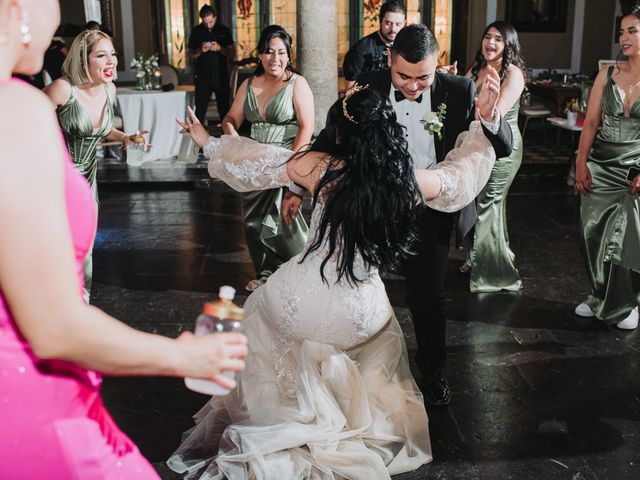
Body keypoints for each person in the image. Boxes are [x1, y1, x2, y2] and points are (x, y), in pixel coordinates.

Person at [169, 73, 500, 478]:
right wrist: (482, 124)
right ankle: (339, 414)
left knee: (261, 306)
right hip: (361, 313)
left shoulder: (319, 168)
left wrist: (207, 141)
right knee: (375, 334)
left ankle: (291, 410)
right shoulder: (407, 182)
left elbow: (256, 162)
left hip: (306, 299)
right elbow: (460, 177)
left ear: (340, 132)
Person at [0, 1, 247, 478]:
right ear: (18, 9)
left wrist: (125, 139)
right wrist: (183, 354)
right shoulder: (19, 108)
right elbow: (53, 328)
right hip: (29, 393)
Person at [293, 24, 512, 406]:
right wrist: (299, 185)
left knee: (427, 295)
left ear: (437, 64)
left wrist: (492, 118)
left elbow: (502, 146)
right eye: (404, 77)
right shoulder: (367, 84)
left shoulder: (460, 91)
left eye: (423, 77)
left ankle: (434, 370)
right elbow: (332, 138)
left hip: (430, 208)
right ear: (390, 60)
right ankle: (355, 370)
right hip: (375, 206)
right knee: (355, 285)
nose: (412, 86)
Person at [45, 29, 147, 300]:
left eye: (112, 54)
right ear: (83, 59)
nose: (111, 61)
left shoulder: (108, 90)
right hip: (57, 181)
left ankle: (80, 303)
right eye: (101, 55)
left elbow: (98, 130)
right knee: (59, 248)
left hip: (88, 179)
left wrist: (125, 137)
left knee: (85, 246)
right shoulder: (63, 89)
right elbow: (27, 119)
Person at [221, 25, 313, 292]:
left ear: (288, 54)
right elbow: (230, 119)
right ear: (260, 55)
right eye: (269, 52)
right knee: (253, 221)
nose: (276, 58)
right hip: (253, 163)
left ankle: (300, 270)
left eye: (281, 52)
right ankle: (265, 273)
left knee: (284, 219)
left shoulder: (297, 84)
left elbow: (306, 127)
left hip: (285, 161)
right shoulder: (248, 84)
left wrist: (292, 167)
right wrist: (233, 137)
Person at [573, 7, 640, 330]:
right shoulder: (607, 74)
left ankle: (625, 302)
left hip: (634, 171)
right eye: (622, 32)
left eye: (632, 31)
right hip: (600, 165)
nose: (623, 38)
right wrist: (580, 164)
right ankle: (599, 294)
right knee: (593, 232)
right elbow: (590, 124)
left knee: (627, 239)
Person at [461, 21, 525, 293]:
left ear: (509, 45)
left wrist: (473, 107)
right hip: (476, 144)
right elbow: (458, 96)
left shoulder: (513, 74)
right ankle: (480, 257)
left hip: (501, 149)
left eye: (498, 39)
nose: (491, 43)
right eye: (487, 37)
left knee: (489, 203)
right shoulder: (476, 69)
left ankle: (494, 274)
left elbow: (494, 113)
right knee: (476, 203)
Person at [342, 0, 406, 90]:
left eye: (398, 24)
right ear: (380, 21)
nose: (393, 29)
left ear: (404, 23)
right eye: (388, 23)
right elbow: (350, 88)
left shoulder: (407, 48)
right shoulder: (360, 50)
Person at [188, 4, 234, 125]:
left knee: (224, 110)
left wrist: (220, 48)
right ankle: (197, 141)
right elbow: (191, 55)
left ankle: (228, 139)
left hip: (221, 76)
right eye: (205, 23)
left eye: (210, 22)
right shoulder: (196, 31)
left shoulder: (224, 30)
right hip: (203, 77)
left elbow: (232, 53)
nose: (208, 25)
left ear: (215, 17)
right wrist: (200, 50)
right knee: (200, 110)